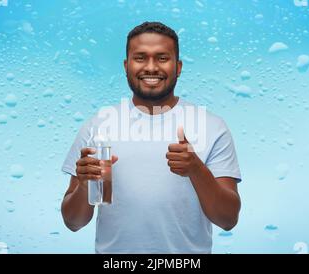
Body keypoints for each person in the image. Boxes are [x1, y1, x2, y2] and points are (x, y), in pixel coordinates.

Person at [61, 21, 242, 254]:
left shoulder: (212, 127)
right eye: (140, 57)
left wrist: (196, 169)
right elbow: (73, 223)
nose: (151, 67)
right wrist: (84, 184)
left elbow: (228, 219)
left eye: (162, 58)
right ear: (126, 66)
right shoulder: (97, 126)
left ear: (178, 67)